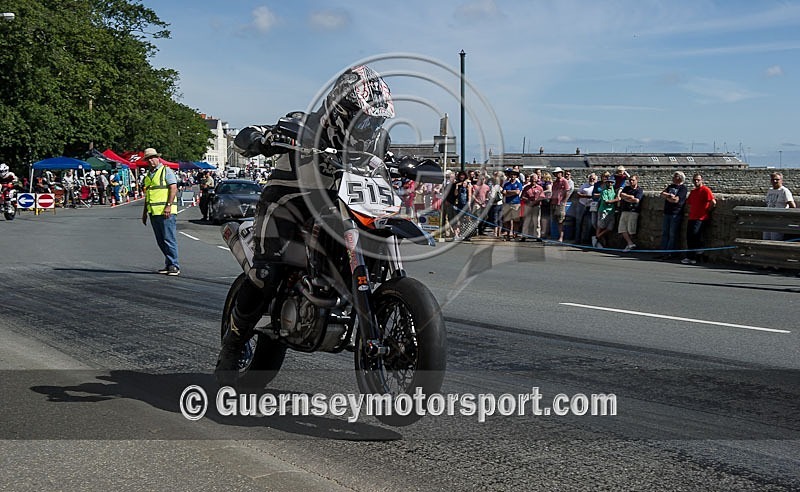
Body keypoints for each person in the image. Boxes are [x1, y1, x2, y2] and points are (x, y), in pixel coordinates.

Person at [215, 65, 396, 385]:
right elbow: (249, 136)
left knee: (380, 237)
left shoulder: (376, 143)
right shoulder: (302, 124)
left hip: (340, 210)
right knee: (265, 273)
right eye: (364, 119)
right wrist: (262, 138)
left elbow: (385, 167)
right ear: (341, 110)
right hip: (288, 204)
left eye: (376, 120)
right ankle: (233, 344)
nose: (369, 128)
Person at [140, 147, 180, 276]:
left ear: (158, 158)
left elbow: (173, 188)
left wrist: (168, 206)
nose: (151, 160)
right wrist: (144, 212)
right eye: (148, 159)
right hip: (154, 212)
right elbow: (148, 195)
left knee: (169, 239)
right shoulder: (148, 175)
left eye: (153, 157)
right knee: (161, 240)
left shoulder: (165, 171)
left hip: (166, 211)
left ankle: (174, 265)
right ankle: (168, 264)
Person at [682, 173, 716, 265]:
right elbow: (689, 203)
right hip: (692, 217)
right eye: (695, 180)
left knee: (696, 237)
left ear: (702, 180)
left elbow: (713, 202)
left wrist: (707, 210)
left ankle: (694, 257)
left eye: (698, 180)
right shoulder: (693, 192)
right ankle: (690, 256)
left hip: (701, 218)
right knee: (690, 237)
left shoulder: (705, 190)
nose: (696, 182)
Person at [657, 171, 688, 259]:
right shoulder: (671, 187)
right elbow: (662, 194)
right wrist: (669, 196)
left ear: (680, 178)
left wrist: (669, 197)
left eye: (676, 176)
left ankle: (670, 253)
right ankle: (663, 252)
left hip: (676, 213)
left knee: (672, 234)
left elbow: (676, 200)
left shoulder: (683, 189)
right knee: (665, 233)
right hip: (667, 212)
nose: (673, 177)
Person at [764, 172, 796, 240]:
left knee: (775, 240)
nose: (775, 181)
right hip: (768, 219)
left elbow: (792, 206)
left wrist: (784, 216)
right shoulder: (770, 190)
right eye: (773, 179)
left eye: (777, 179)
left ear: (781, 180)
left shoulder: (784, 191)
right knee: (766, 239)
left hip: (778, 220)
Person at [617, 174, 644, 252]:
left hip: (633, 211)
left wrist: (627, 198)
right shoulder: (627, 188)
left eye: (633, 180)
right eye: (630, 180)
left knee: (631, 229)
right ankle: (630, 243)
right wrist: (630, 197)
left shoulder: (639, 190)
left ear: (637, 180)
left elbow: (636, 200)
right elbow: (621, 194)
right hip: (625, 210)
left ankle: (631, 244)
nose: (631, 181)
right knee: (622, 228)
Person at [594, 176, 619, 248]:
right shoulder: (604, 191)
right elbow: (607, 201)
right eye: (609, 182)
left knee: (610, 228)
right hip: (603, 210)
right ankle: (597, 238)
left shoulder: (613, 190)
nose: (610, 184)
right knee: (601, 226)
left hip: (611, 211)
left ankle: (597, 236)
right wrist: (616, 200)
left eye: (611, 182)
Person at [520, 173, 544, 241]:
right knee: (526, 221)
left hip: (536, 206)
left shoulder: (540, 188)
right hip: (528, 206)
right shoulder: (526, 188)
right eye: (532, 180)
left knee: (537, 222)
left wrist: (536, 200)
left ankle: (538, 236)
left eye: (535, 180)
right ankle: (524, 236)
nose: (533, 181)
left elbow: (542, 196)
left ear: (537, 180)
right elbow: (522, 197)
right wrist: (528, 200)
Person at [501, 168, 523, 240]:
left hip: (516, 203)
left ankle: (515, 234)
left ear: (516, 176)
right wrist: (512, 192)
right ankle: (508, 234)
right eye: (512, 175)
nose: (513, 176)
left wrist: (508, 192)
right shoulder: (506, 184)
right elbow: (504, 193)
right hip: (507, 203)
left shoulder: (519, 184)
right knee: (507, 220)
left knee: (516, 220)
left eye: (514, 175)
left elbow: (517, 192)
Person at [575, 173, 597, 245]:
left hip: (591, 207)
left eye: (593, 178)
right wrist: (586, 196)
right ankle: (577, 240)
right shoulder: (584, 185)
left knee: (589, 224)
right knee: (579, 222)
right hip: (582, 204)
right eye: (591, 178)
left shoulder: (596, 186)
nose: (592, 179)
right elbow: (578, 193)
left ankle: (586, 240)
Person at [549, 167, 569, 242]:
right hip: (554, 202)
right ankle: (555, 235)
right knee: (555, 220)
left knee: (561, 221)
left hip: (560, 203)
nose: (557, 174)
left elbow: (567, 191)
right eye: (556, 173)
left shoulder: (564, 181)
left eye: (558, 173)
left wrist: (564, 201)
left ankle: (561, 237)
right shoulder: (555, 182)